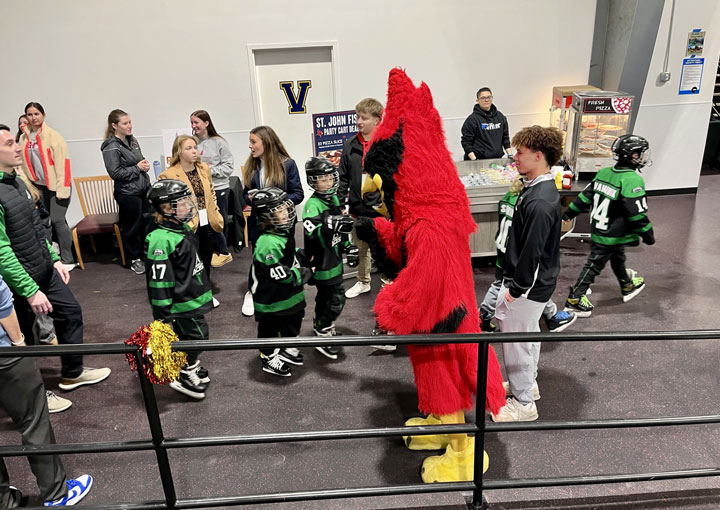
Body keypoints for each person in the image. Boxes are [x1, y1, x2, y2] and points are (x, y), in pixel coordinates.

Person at [0, 126, 111, 412]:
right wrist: (30, 291)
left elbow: (38, 227)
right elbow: (2, 252)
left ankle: (72, 373)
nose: (17, 147)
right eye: (10, 143)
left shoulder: (18, 183)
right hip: (19, 284)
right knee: (21, 342)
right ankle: (32, 397)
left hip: (43, 269)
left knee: (70, 312)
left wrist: (55, 258)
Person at [491, 125, 564, 423]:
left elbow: (532, 254)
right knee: (529, 334)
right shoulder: (537, 189)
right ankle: (527, 385)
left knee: (517, 340)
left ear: (538, 156)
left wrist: (515, 290)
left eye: (520, 153)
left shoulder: (539, 201)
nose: (514, 158)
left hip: (529, 286)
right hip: (538, 283)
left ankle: (523, 403)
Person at [0, 275, 94, 508]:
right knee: (34, 420)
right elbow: (2, 303)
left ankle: (3, 499)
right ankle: (57, 493)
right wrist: (19, 343)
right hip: (4, 354)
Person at [563, 134, 655, 317]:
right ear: (633, 156)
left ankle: (626, 285)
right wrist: (648, 234)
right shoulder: (632, 180)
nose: (643, 157)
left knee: (617, 257)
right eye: (640, 153)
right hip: (611, 233)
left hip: (601, 228)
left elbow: (585, 196)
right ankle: (575, 298)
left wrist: (569, 212)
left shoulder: (604, 173)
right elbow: (636, 214)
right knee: (595, 264)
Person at [478, 177, 576, 334]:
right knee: (525, 284)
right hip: (515, 253)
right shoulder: (529, 202)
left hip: (502, 248)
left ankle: (550, 314)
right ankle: (483, 314)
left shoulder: (507, 198)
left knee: (502, 283)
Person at [145, 179, 214, 399]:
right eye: (181, 203)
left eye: (186, 201)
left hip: (192, 295)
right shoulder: (160, 239)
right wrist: (163, 313)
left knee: (189, 335)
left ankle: (188, 364)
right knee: (199, 336)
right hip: (182, 303)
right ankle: (185, 371)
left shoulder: (179, 228)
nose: (187, 206)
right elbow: (159, 281)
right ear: (165, 208)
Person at [241, 126, 304, 316]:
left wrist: (275, 203)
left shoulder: (288, 164)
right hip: (258, 224)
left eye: (253, 142)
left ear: (266, 143)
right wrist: (250, 198)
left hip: (282, 224)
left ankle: (283, 291)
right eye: (250, 142)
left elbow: (298, 194)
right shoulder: (252, 166)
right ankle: (253, 292)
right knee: (259, 258)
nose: (250, 146)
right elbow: (245, 194)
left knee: (284, 258)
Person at [250, 187, 312, 377]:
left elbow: (288, 256)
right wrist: (306, 273)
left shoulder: (282, 233)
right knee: (270, 328)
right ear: (266, 216)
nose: (285, 213)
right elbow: (280, 273)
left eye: (285, 208)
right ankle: (268, 357)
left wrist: (301, 256)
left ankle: (287, 346)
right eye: (279, 210)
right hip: (270, 298)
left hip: (288, 295)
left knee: (293, 318)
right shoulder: (267, 242)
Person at [302, 157, 359, 359]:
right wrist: (327, 226)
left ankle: (325, 326)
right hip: (322, 263)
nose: (327, 183)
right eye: (322, 180)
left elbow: (341, 230)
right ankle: (322, 332)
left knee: (327, 298)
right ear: (312, 181)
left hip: (335, 261)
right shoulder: (312, 206)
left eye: (329, 179)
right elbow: (311, 233)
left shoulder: (334, 200)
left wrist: (348, 246)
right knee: (335, 299)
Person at [158, 135, 223, 292]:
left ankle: (205, 289)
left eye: (195, 147)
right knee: (189, 260)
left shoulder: (203, 169)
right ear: (179, 152)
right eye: (189, 148)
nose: (194, 151)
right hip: (186, 224)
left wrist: (215, 210)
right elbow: (165, 206)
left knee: (206, 256)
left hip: (206, 220)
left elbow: (211, 192)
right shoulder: (169, 175)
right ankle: (190, 291)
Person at [17, 102, 76, 270]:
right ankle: (51, 259)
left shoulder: (53, 136)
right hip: (39, 186)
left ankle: (68, 259)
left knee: (58, 220)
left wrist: (62, 189)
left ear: (43, 115)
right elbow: (22, 165)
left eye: (36, 114)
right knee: (44, 222)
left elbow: (63, 164)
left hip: (58, 185)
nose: (33, 117)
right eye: (29, 114)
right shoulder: (23, 138)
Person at [337, 98, 383, 299]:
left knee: (384, 249)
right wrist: (340, 203)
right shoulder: (350, 145)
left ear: (377, 120)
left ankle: (388, 283)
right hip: (357, 207)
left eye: (364, 118)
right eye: (358, 117)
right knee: (361, 247)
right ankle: (363, 282)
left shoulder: (386, 144)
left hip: (382, 209)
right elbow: (343, 176)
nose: (359, 121)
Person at [101, 109, 151, 275]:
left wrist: (143, 165)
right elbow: (115, 173)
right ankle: (135, 259)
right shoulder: (111, 147)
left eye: (130, 122)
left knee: (147, 223)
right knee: (132, 227)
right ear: (114, 126)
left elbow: (138, 160)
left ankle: (147, 255)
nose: (129, 126)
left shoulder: (133, 140)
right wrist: (137, 168)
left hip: (143, 189)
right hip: (128, 194)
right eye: (125, 123)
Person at [191, 110, 235, 269]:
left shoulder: (219, 142)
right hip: (201, 189)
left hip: (219, 188)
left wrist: (210, 170)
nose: (193, 126)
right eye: (192, 123)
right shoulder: (193, 142)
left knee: (218, 220)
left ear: (206, 123)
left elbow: (229, 167)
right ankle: (209, 250)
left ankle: (223, 252)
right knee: (204, 220)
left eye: (196, 122)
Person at [460, 87, 511, 161]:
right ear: (477, 100)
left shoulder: (500, 117)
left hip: (497, 160)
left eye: (488, 97)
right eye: (483, 98)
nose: (486, 100)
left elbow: (505, 138)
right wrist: (475, 160)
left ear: (492, 98)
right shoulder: (472, 120)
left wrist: (510, 155)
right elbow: (466, 143)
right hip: (478, 161)